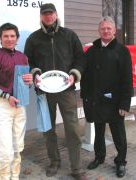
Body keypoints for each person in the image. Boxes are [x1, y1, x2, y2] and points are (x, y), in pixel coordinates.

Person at [24, 3, 87, 180]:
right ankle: (54, 161)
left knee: (73, 129)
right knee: (48, 129)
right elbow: (27, 61)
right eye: (45, 14)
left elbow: (80, 58)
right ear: (41, 16)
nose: (48, 16)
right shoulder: (33, 39)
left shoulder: (69, 35)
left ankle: (76, 168)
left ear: (56, 14)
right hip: (44, 92)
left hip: (66, 90)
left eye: (51, 13)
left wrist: (75, 74)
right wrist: (35, 73)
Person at [80, 16, 133, 178]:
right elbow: (86, 76)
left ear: (114, 30)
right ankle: (99, 157)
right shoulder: (92, 51)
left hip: (115, 103)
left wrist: (125, 104)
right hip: (96, 100)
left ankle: (121, 162)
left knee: (119, 135)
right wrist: (85, 97)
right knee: (98, 131)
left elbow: (127, 79)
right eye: (103, 28)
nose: (105, 31)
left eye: (109, 28)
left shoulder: (122, 51)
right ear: (99, 30)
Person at [0, 23, 33, 180]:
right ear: (0, 38)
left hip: (20, 105)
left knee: (19, 147)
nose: (9, 39)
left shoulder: (23, 57)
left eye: (12, 36)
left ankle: (15, 176)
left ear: (17, 38)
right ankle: (3, 177)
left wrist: (29, 81)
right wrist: (6, 96)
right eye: (6, 36)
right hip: (4, 106)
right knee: (6, 151)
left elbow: (24, 83)